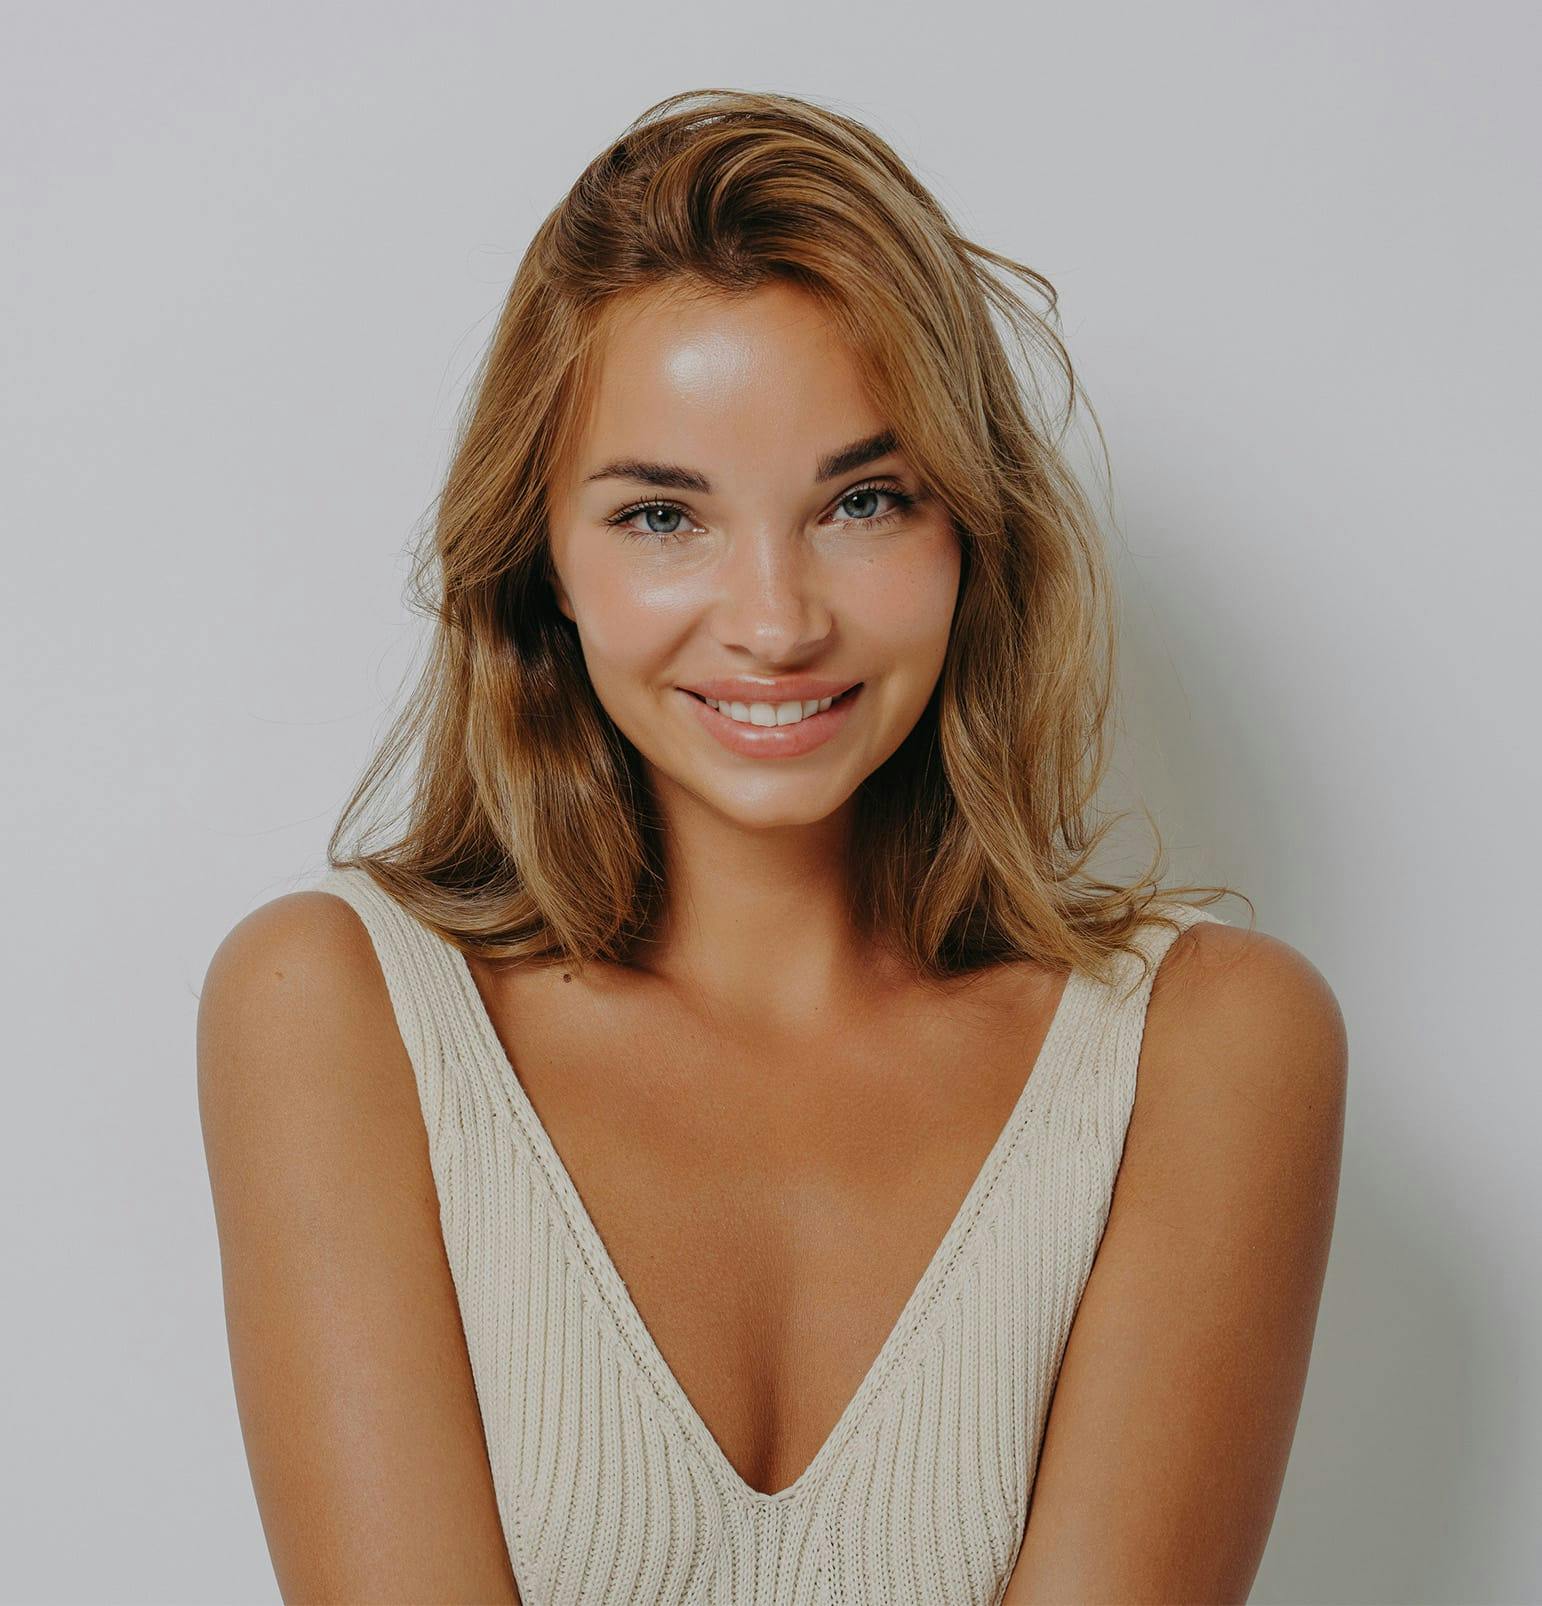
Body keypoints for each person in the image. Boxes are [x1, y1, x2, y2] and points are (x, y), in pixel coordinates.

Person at [196, 88, 1347, 1605]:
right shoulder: (337, 1009)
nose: (774, 620)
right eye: (661, 516)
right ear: (543, 561)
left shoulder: (1209, 1044)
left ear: (970, 529)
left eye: (863, 501)